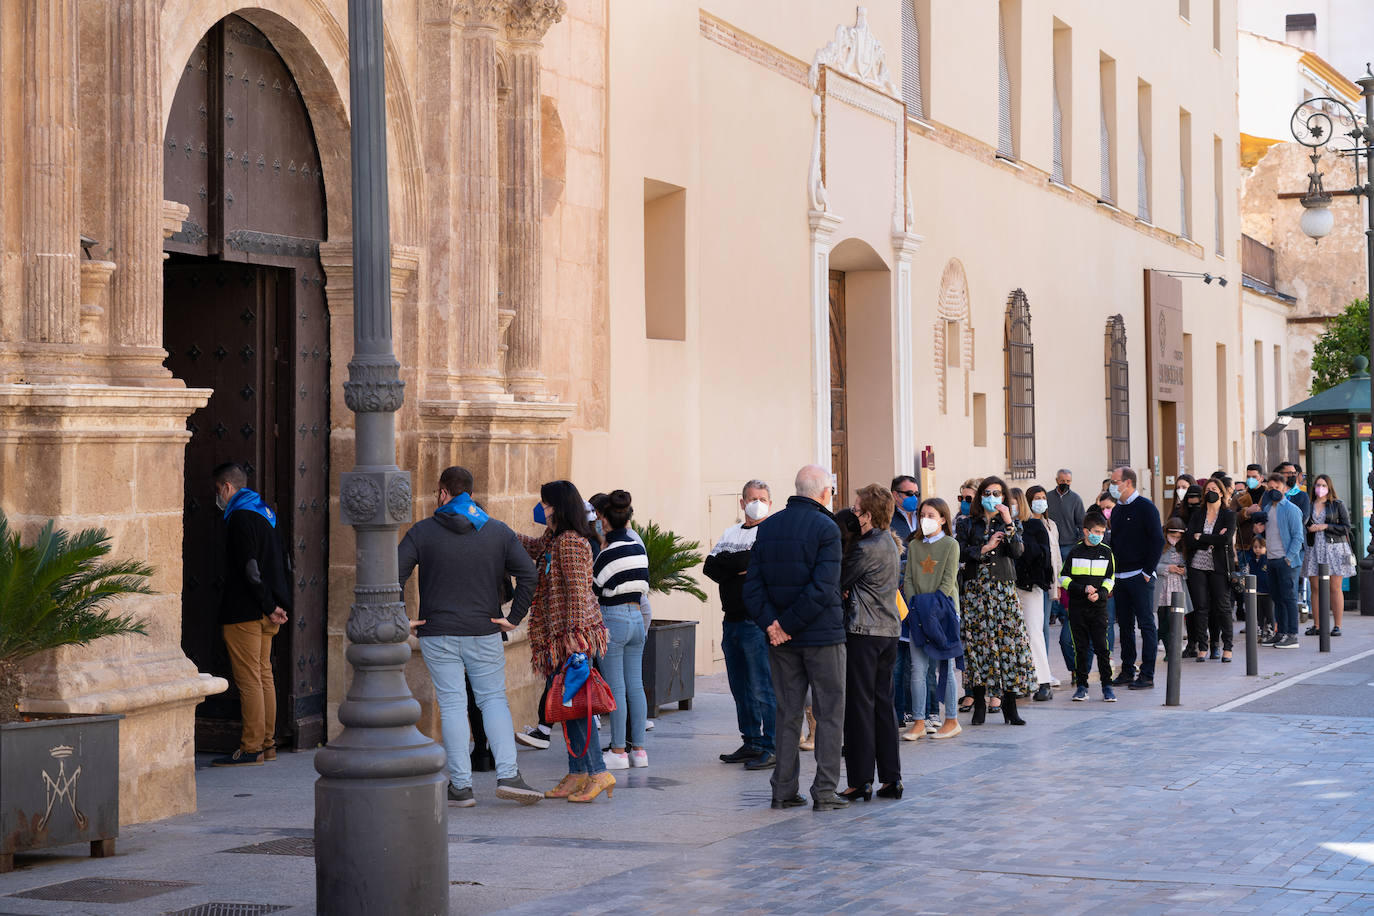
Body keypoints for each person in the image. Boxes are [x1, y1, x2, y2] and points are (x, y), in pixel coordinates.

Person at [398, 465, 542, 806]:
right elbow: (529, 574)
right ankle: (509, 774)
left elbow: (393, 572)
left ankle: (461, 787)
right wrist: (513, 618)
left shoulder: (422, 532)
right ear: (471, 495)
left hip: (437, 632)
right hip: (484, 629)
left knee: (451, 705)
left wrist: (401, 618)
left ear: (443, 493)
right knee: (493, 700)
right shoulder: (497, 531)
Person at [742, 464, 849, 811]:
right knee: (829, 712)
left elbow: (753, 586)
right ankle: (825, 790)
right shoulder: (827, 528)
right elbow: (823, 587)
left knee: (787, 713)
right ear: (824, 492)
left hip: (781, 641)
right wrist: (786, 624)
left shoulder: (768, 527)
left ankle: (783, 789)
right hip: (822, 637)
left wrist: (773, 624)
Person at [518, 480, 615, 802]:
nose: (541, 509)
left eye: (545, 504)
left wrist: (572, 639)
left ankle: (599, 773)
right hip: (559, 636)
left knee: (579, 708)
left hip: (571, 638)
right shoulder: (555, 538)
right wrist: (496, 531)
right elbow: (535, 549)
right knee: (570, 708)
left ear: (557, 507)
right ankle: (577, 773)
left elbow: (576, 592)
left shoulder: (571, 542)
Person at [211, 462, 291, 767]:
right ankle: (268, 743)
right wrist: (278, 604)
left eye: (218, 490)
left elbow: (250, 569)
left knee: (249, 680)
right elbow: (282, 560)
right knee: (264, 675)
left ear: (227, 487)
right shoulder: (265, 513)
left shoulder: (239, 518)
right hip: (268, 610)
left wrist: (268, 604)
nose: (218, 497)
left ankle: (251, 746)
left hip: (245, 610)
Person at [703, 480, 777, 770]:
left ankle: (771, 745)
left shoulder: (772, 531)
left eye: (762, 498)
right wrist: (740, 565)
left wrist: (732, 564)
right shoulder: (730, 532)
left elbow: (756, 562)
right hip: (730, 620)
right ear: (742, 502)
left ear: (770, 503)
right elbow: (710, 566)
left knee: (762, 687)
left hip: (756, 623)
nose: (757, 502)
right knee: (740, 686)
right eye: (752, 498)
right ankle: (751, 740)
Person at [839, 484, 902, 802]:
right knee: (883, 705)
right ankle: (891, 779)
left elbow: (840, 580)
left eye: (855, 509)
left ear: (868, 514)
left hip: (864, 632)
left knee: (860, 708)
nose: (852, 514)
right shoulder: (889, 541)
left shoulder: (865, 547)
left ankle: (861, 780)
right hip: (888, 632)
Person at [956, 476, 1035, 726]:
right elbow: (959, 551)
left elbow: (1017, 551)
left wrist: (1009, 521)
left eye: (997, 493)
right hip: (976, 591)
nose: (992, 497)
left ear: (1004, 497)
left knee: (1008, 647)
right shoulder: (967, 523)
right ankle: (979, 703)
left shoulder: (1011, 522)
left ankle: (1010, 707)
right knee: (979, 647)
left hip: (1003, 591)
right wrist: (985, 547)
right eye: (988, 493)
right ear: (980, 496)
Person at [591, 490, 651, 771]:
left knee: (616, 688)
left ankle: (617, 750)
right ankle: (638, 751)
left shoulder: (607, 552)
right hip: (637, 616)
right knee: (635, 685)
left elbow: (594, 589)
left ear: (604, 521)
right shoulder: (637, 546)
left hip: (613, 618)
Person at [903, 498, 963, 740]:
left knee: (945, 669)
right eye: (922, 515)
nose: (925, 519)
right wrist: (914, 603)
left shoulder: (951, 544)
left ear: (942, 519)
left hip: (944, 612)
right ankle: (918, 721)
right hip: (918, 611)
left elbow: (949, 581)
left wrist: (933, 605)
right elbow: (908, 578)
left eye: (931, 515)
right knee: (918, 668)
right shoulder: (915, 545)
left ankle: (951, 719)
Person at [1107, 467, 1164, 691]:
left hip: (1140, 575)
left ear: (1128, 482)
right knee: (1126, 627)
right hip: (1120, 576)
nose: (1112, 485)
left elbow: (1157, 540)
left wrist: (1147, 572)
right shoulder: (1118, 511)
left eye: (1115, 481)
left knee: (1146, 625)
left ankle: (1147, 674)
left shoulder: (1146, 507)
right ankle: (1127, 669)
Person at [1062, 512, 1116, 702]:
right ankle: (1082, 686)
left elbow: (1110, 579)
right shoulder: (1075, 552)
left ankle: (1107, 686)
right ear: (1086, 531)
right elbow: (1064, 578)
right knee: (1081, 648)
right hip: (1078, 608)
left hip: (1099, 608)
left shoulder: (1107, 552)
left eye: (1102, 532)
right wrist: (1082, 589)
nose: (1099, 535)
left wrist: (1100, 593)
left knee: (1102, 648)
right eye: (1095, 531)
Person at [1184, 477, 1236, 662]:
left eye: (1214, 489)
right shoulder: (1198, 514)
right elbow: (1190, 539)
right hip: (1197, 565)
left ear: (1221, 492)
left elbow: (1226, 539)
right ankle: (1202, 646)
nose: (1210, 492)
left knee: (1222, 606)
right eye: (1207, 490)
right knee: (1201, 607)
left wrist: (1203, 537)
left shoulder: (1228, 515)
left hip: (1219, 566)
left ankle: (1227, 647)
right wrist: (1213, 537)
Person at [1011, 487, 1055, 702]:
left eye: (1012, 502)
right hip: (1007, 586)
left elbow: (1043, 556)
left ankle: (1043, 681)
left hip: (1030, 585)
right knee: (1014, 636)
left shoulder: (1034, 525)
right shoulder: (1001, 527)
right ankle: (1020, 681)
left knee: (1034, 632)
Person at [888, 476, 921, 732]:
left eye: (916, 492)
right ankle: (898, 711)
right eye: (908, 493)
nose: (913, 497)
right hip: (899, 591)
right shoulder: (890, 520)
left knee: (916, 657)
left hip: (919, 591)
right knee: (898, 658)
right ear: (895, 494)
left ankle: (915, 709)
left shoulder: (922, 517)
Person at [1302, 474, 1354, 637]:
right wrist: (1309, 527)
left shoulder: (1337, 504)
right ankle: (1317, 625)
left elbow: (1346, 527)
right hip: (1314, 547)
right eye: (1318, 485)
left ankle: (1337, 625)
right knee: (1315, 588)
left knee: (1334, 587)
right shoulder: (1309, 505)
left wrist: (1326, 526)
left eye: (1323, 485)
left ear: (1329, 487)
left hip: (1335, 548)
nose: (1320, 488)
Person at [1261, 472, 1305, 649]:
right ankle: (1281, 633)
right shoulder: (1267, 509)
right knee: (1277, 598)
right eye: (1270, 488)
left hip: (1286, 561)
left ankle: (1292, 635)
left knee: (1289, 598)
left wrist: (1288, 558)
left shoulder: (1291, 509)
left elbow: (1298, 537)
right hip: (1271, 559)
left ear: (1285, 489)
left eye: (1277, 488)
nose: (1273, 491)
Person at [1045, 469, 1085, 624]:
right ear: (1056, 480)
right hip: (1052, 545)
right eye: (1062, 481)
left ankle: (1064, 612)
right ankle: (1053, 613)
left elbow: (1081, 523)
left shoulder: (1076, 499)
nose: (1065, 484)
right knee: (1053, 578)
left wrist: (1079, 542)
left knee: (1065, 580)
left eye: (1068, 481)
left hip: (1069, 545)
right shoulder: (1048, 497)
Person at [1153, 517, 1191, 652]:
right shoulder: (1159, 545)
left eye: (1178, 537)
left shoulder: (1182, 548)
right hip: (1162, 586)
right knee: (1163, 615)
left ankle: (1160, 637)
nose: (1175, 539)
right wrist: (1168, 568)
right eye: (1172, 536)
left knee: (1174, 617)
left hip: (1178, 586)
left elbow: (1187, 565)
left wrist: (1183, 570)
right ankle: (1168, 647)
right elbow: (1152, 565)